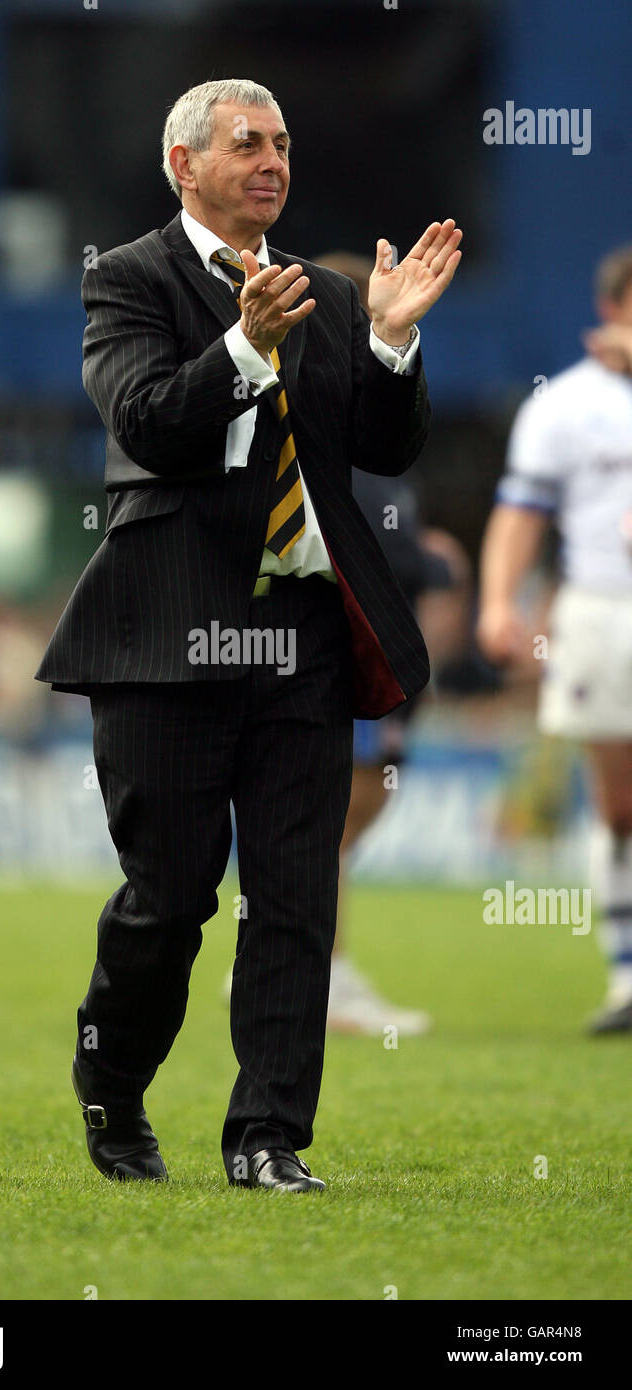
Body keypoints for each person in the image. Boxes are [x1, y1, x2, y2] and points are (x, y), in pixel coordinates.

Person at [36, 78, 462, 1191]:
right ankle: (114, 1089)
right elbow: (144, 423)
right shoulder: (125, 279)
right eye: (246, 144)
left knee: (294, 899)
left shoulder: (323, 290)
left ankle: (267, 1137)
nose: (272, 161)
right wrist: (240, 347)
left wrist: (389, 344)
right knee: (167, 901)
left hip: (301, 640)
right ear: (184, 164)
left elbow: (378, 443)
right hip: (166, 641)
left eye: (281, 144)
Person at [314, 252, 471, 1036]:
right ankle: (325, 974)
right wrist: (432, 561)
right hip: (354, 661)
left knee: (345, 824)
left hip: (381, 662)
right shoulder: (332, 424)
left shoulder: (378, 418)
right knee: (335, 824)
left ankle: (305, 961)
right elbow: (369, 545)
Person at [477, 245, 632, 1034]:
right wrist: (499, 598)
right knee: (619, 800)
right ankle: (625, 975)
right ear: (613, 309)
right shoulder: (565, 405)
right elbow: (521, 512)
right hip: (603, 609)